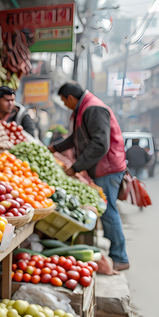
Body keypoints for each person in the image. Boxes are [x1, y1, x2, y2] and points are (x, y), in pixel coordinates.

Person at [47, 82, 129, 271]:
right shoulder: (83, 108)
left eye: (63, 100)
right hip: (102, 168)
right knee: (107, 211)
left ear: (70, 98)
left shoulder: (93, 109)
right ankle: (117, 254)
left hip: (108, 168)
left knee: (108, 212)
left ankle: (120, 257)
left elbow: (100, 144)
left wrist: (76, 167)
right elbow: (76, 138)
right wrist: (55, 148)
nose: (65, 105)